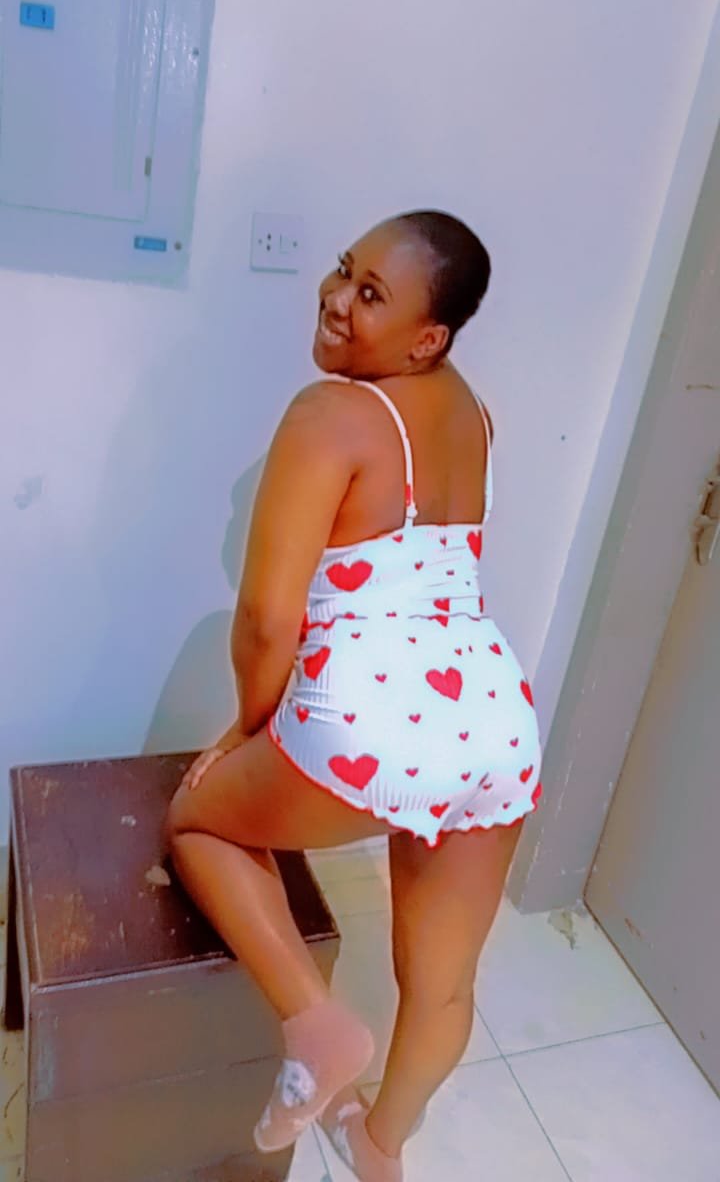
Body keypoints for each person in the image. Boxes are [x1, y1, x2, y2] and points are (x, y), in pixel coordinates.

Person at [164, 210, 543, 1181]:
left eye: (371, 294)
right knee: (443, 984)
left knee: (199, 824)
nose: (336, 299)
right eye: (344, 271)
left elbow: (266, 618)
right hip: (494, 718)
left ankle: (317, 1022)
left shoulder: (328, 414)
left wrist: (246, 733)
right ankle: (380, 1147)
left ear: (427, 337)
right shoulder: (475, 414)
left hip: (371, 720)